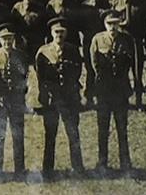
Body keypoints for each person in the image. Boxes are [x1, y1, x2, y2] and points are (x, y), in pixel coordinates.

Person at [34, 17, 86, 176]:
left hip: (69, 98)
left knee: (73, 133)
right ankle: (48, 170)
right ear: (51, 33)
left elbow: (77, 71)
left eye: (62, 32)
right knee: (50, 134)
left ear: (67, 33)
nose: (59, 35)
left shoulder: (73, 50)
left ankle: (78, 168)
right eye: (56, 32)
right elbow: (40, 76)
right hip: (52, 99)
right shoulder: (43, 51)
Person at [88, 14, 135, 172]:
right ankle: (102, 162)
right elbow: (93, 64)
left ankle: (125, 162)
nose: (112, 27)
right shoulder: (97, 39)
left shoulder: (127, 39)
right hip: (104, 90)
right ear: (104, 24)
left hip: (121, 89)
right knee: (103, 127)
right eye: (109, 24)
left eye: (115, 24)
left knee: (122, 127)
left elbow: (132, 62)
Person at [0, 23, 29, 173]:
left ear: (14, 39)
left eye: (10, 39)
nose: (7, 42)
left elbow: (24, 78)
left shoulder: (21, 55)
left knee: (18, 135)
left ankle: (20, 170)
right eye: (4, 39)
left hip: (16, 101)